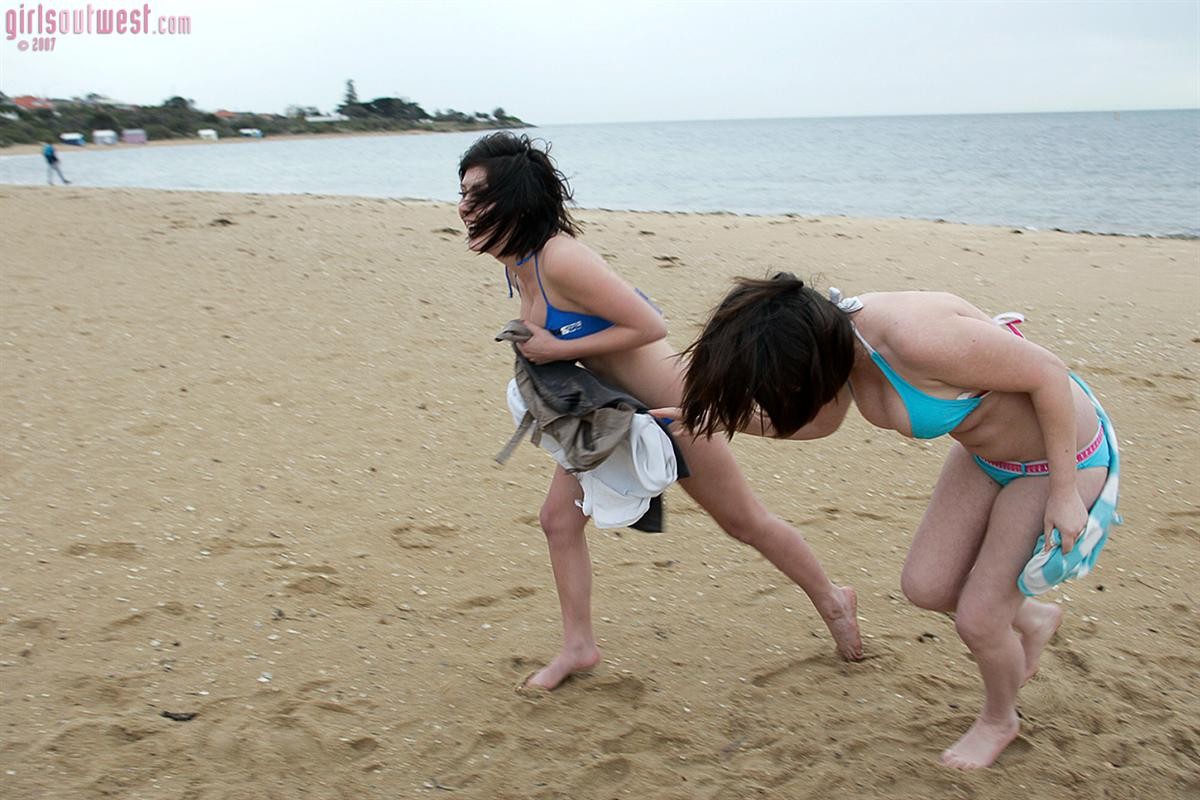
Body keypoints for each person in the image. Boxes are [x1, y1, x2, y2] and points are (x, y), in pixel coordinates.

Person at [456, 133, 863, 692]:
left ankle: (833, 599)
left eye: (477, 194)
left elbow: (650, 325)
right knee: (558, 521)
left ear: (515, 197)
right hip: (609, 416)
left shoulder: (561, 258)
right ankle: (579, 646)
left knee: (744, 522)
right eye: (462, 192)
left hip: (678, 411)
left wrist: (555, 350)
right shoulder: (516, 260)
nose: (464, 206)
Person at [668, 273, 1118, 770]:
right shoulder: (834, 345)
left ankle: (999, 719)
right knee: (926, 586)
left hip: (1059, 461)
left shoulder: (916, 338)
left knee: (979, 619)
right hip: (987, 457)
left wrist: (1063, 492)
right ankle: (1033, 618)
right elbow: (817, 422)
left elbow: (1049, 374)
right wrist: (706, 420)